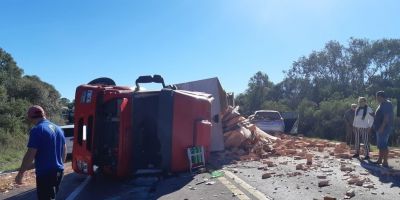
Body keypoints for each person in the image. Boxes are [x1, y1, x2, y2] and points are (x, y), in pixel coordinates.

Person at [15, 105, 66, 200]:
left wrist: (20, 173)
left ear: (30, 118)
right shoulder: (58, 129)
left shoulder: (37, 130)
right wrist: (60, 165)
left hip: (45, 174)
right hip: (59, 172)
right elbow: (63, 150)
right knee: (52, 197)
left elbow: (30, 155)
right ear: (44, 114)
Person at [372, 91, 394, 167]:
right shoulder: (382, 104)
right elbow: (380, 115)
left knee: (383, 145)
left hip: (384, 128)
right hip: (380, 127)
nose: (376, 98)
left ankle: (385, 162)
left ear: (381, 97)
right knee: (381, 145)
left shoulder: (387, 104)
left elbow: (386, 117)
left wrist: (382, 127)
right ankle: (379, 160)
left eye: (377, 97)